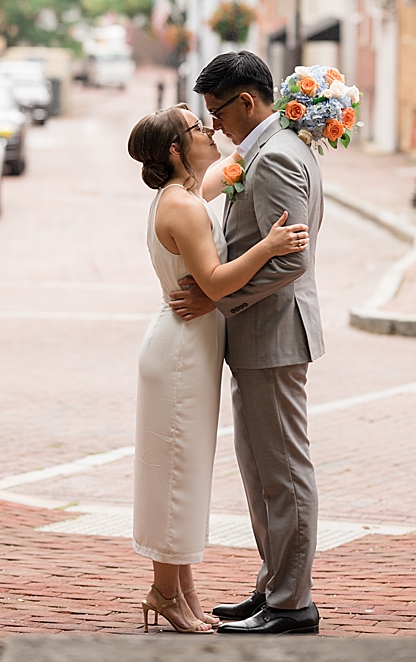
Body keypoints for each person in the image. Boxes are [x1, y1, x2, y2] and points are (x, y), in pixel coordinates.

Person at [127, 103, 309, 633]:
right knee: (175, 475)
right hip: (180, 350)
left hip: (193, 347)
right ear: (176, 151)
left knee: (185, 472)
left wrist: (305, 117)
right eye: (196, 127)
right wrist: (270, 246)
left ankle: (181, 592)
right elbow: (214, 282)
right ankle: (165, 591)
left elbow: (240, 163)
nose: (210, 130)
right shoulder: (180, 205)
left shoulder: (189, 192)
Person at [167, 51, 326, 635]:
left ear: (246, 102)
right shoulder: (256, 151)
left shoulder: (277, 157)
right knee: (260, 471)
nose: (213, 128)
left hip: (276, 333)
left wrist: (217, 297)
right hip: (257, 335)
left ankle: (292, 604)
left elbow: (292, 259)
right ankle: (272, 586)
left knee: (283, 471)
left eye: (217, 113)